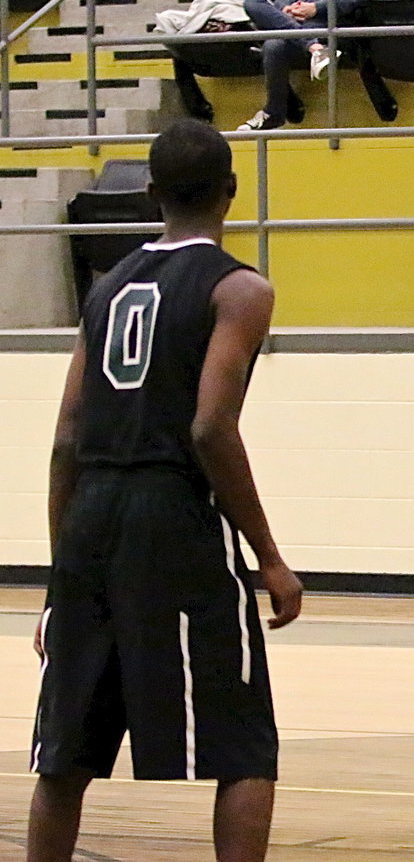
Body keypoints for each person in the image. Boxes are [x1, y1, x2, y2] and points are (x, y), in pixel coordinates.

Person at [26, 119, 303, 862]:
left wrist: (61, 578)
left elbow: (65, 439)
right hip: (172, 512)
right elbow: (211, 427)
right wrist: (269, 556)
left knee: (66, 753)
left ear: (150, 192)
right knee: (244, 743)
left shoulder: (105, 288)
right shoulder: (240, 289)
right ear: (231, 190)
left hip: (90, 513)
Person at [237, 0, 378, 132]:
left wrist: (315, 8)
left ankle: (273, 112)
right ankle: (314, 47)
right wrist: (286, 8)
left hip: (330, 24)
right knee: (252, 2)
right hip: (292, 22)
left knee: (273, 45)